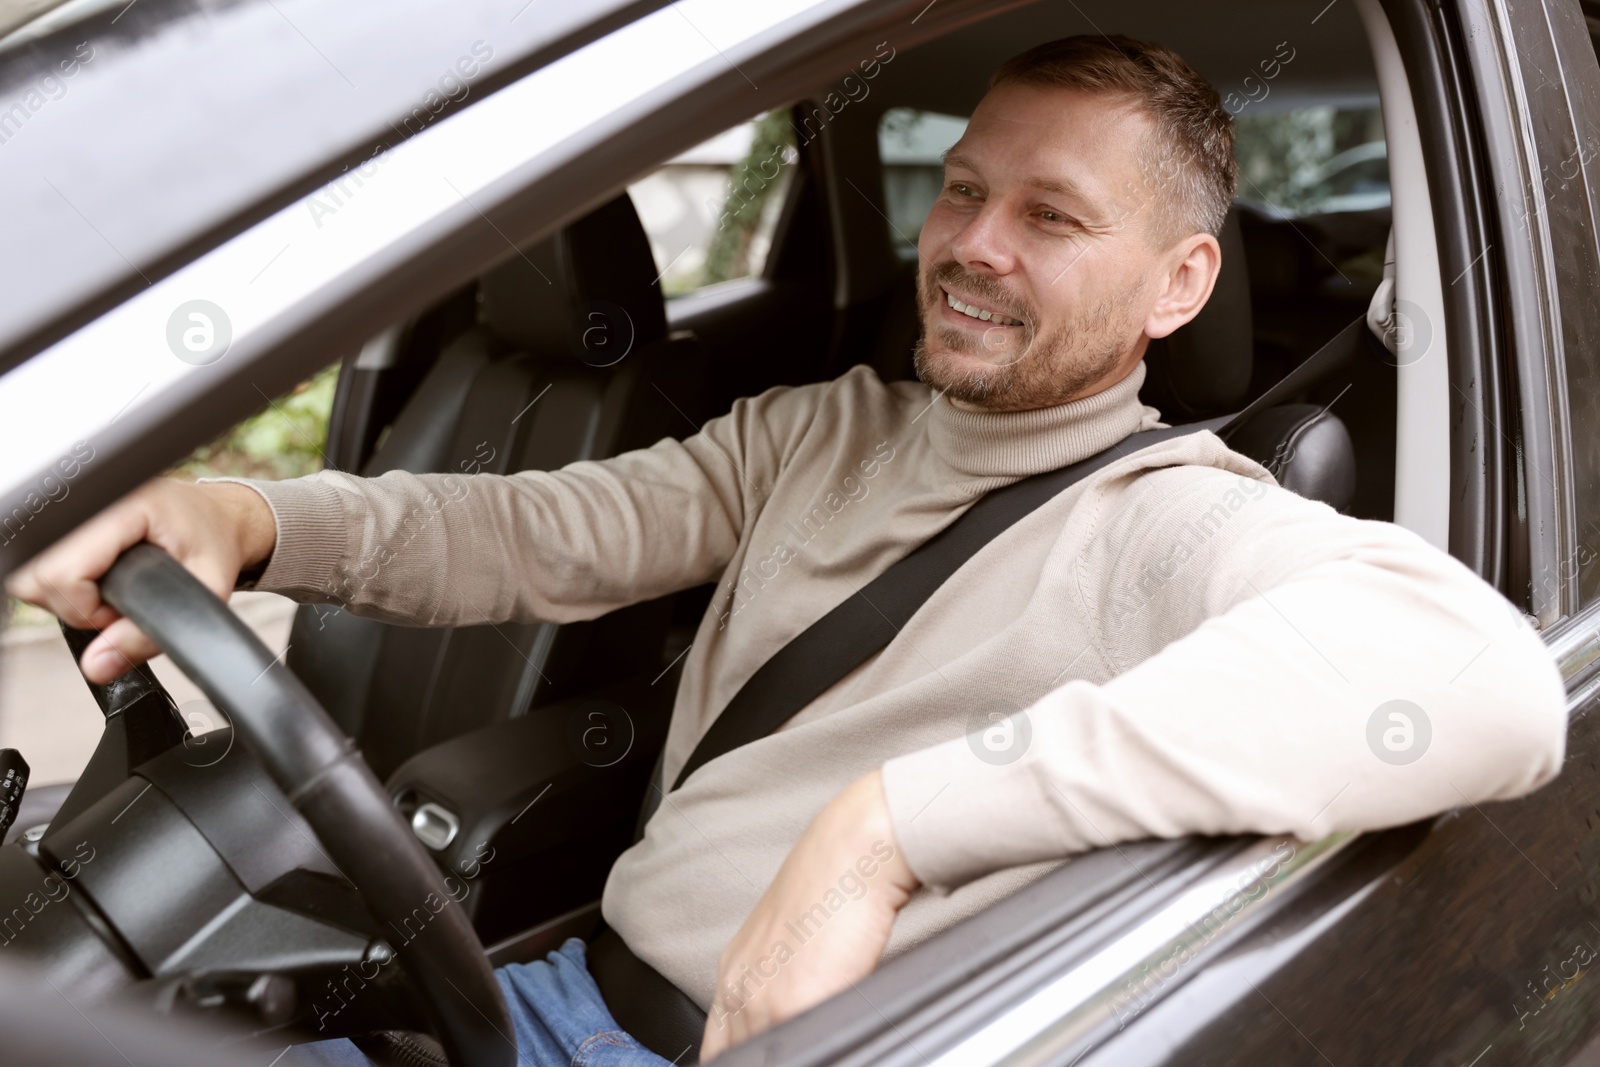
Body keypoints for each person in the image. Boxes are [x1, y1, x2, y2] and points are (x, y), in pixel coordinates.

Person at [6, 33, 1565, 1067]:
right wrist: (257, 516)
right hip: (553, 994)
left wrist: (884, 828)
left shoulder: (1177, 519)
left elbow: (1487, 679)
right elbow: (538, 532)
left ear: (1178, 286)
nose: (972, 244)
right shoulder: (824, 427)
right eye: (960, 189)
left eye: (1052, 216)